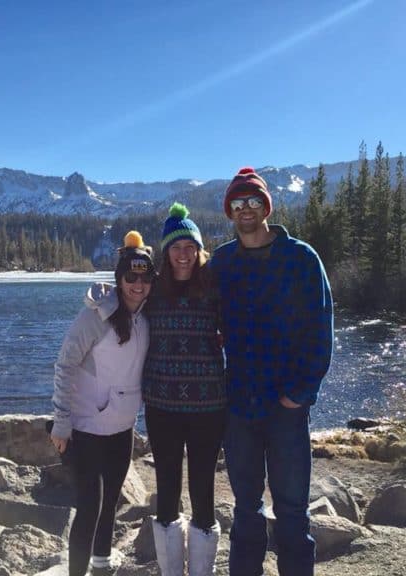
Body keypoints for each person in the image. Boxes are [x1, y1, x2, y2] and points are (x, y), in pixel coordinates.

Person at [210, 167, 334, 576]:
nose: (246, 209)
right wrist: (121, 295)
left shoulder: (300, 257)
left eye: (253, 202)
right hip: (240, 404)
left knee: (292, 510)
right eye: (238, 203)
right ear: (231, 211)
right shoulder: (223, 262)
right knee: (246, 510)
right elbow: (190, 303)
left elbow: (321, 328)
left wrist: (301, 393)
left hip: (287, 406)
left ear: (266, 206)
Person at [50, 230, 155, 576]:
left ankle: (102, 565)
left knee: (111, 501)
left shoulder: (148, 316)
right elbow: (65, 364)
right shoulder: (96, 316)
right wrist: (61, 422)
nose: (138, 284)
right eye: (130, 276)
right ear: (119, 278)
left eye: (145, 276)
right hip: (86, 429)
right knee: (89, 508)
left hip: (122, 429)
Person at [143, 203, 226, 576]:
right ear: (166, 251)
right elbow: (123, 301)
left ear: (198, 249)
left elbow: (242, 322)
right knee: (167, 488)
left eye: (190, 246)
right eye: (176, 247)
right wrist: (100, 298)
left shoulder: (214, 285)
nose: (183, 254)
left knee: (204, 489)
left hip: (209, 404)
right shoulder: (153, 289)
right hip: (161, 405)